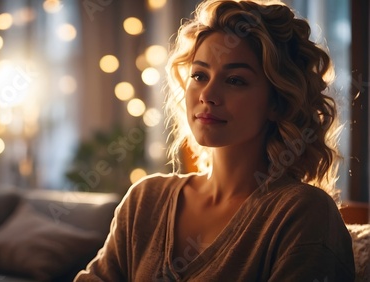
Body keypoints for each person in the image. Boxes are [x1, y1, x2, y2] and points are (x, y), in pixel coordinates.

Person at [75, 0, 355, 281]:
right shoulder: (145, 199)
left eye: (235, 80)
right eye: (199, 75)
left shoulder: (302, 213)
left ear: (278, 102)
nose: (207, 94)